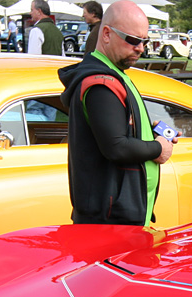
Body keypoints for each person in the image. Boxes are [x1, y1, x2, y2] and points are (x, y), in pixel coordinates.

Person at [58, 0, 174, 228]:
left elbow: (114, 132)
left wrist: (148, 132)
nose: (140, 48)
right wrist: (159, 147)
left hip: (119, 216)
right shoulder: (102, 83)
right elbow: (116, 146)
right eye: (133, 40)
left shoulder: (111, 75)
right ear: (107, 34)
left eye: (144, 41)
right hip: (110, 222)